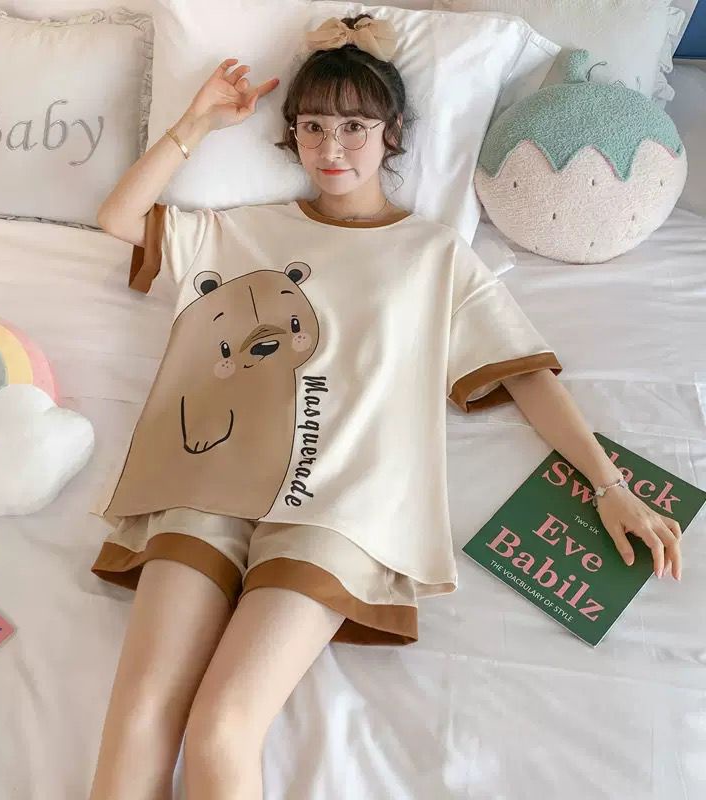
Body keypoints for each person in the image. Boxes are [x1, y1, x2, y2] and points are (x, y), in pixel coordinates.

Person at [86, 14, 684, 800]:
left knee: (223, 727)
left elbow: (527, 376)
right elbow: (118, 219)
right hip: (209, 482)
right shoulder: (243, 232)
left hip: (341, 505)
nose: (331, 147)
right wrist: (195, 123)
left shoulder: (432, 254)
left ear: (392, 133)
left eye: (354, 127)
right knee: (138, 717)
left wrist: (610, 486)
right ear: (291, 134)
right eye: (312, 126)